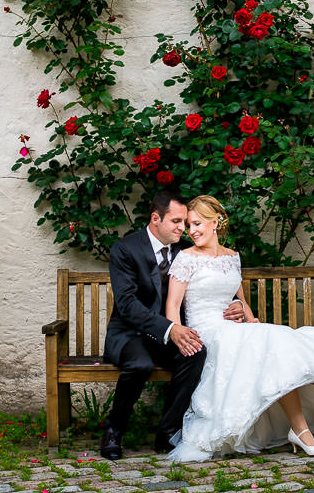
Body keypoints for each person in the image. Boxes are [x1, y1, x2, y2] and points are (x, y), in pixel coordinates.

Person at [164, 195, 314, 460]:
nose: (191, 231)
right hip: (207, 333)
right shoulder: (186, 258)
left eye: (197, 224)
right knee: (273, 343)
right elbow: (173, 305)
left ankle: (302, 430)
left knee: (275, 348)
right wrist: (179, 338)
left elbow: (241, 301)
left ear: (216, 222)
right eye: (189, 225)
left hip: (235, 331)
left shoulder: (232, 257)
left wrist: (250, 319)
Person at [100, 191, 244, 460]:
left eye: (185, 222)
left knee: (196, 353)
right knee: (140, 365)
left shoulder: (185, 250)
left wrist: (236, 304)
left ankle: (167, 433)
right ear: (156, 219)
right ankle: (113, 430)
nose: (183, 228)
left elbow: (211, 282)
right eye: (177, 221)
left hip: (167, 335)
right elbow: (127, 304)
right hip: (131, 333)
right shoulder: (126, 249)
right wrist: (169, 329)